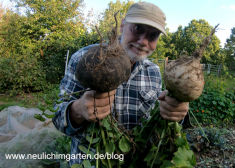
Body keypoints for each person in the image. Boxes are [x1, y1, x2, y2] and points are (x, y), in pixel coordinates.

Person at [52, 1, 189, 166]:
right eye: (137, 28)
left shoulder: (153, 72)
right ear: (123, 25)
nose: (143, 42)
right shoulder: (86, 59)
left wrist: (173, 113)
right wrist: (77, 110)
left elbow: (151, 129)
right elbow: (57, 120)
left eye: (152, 36)